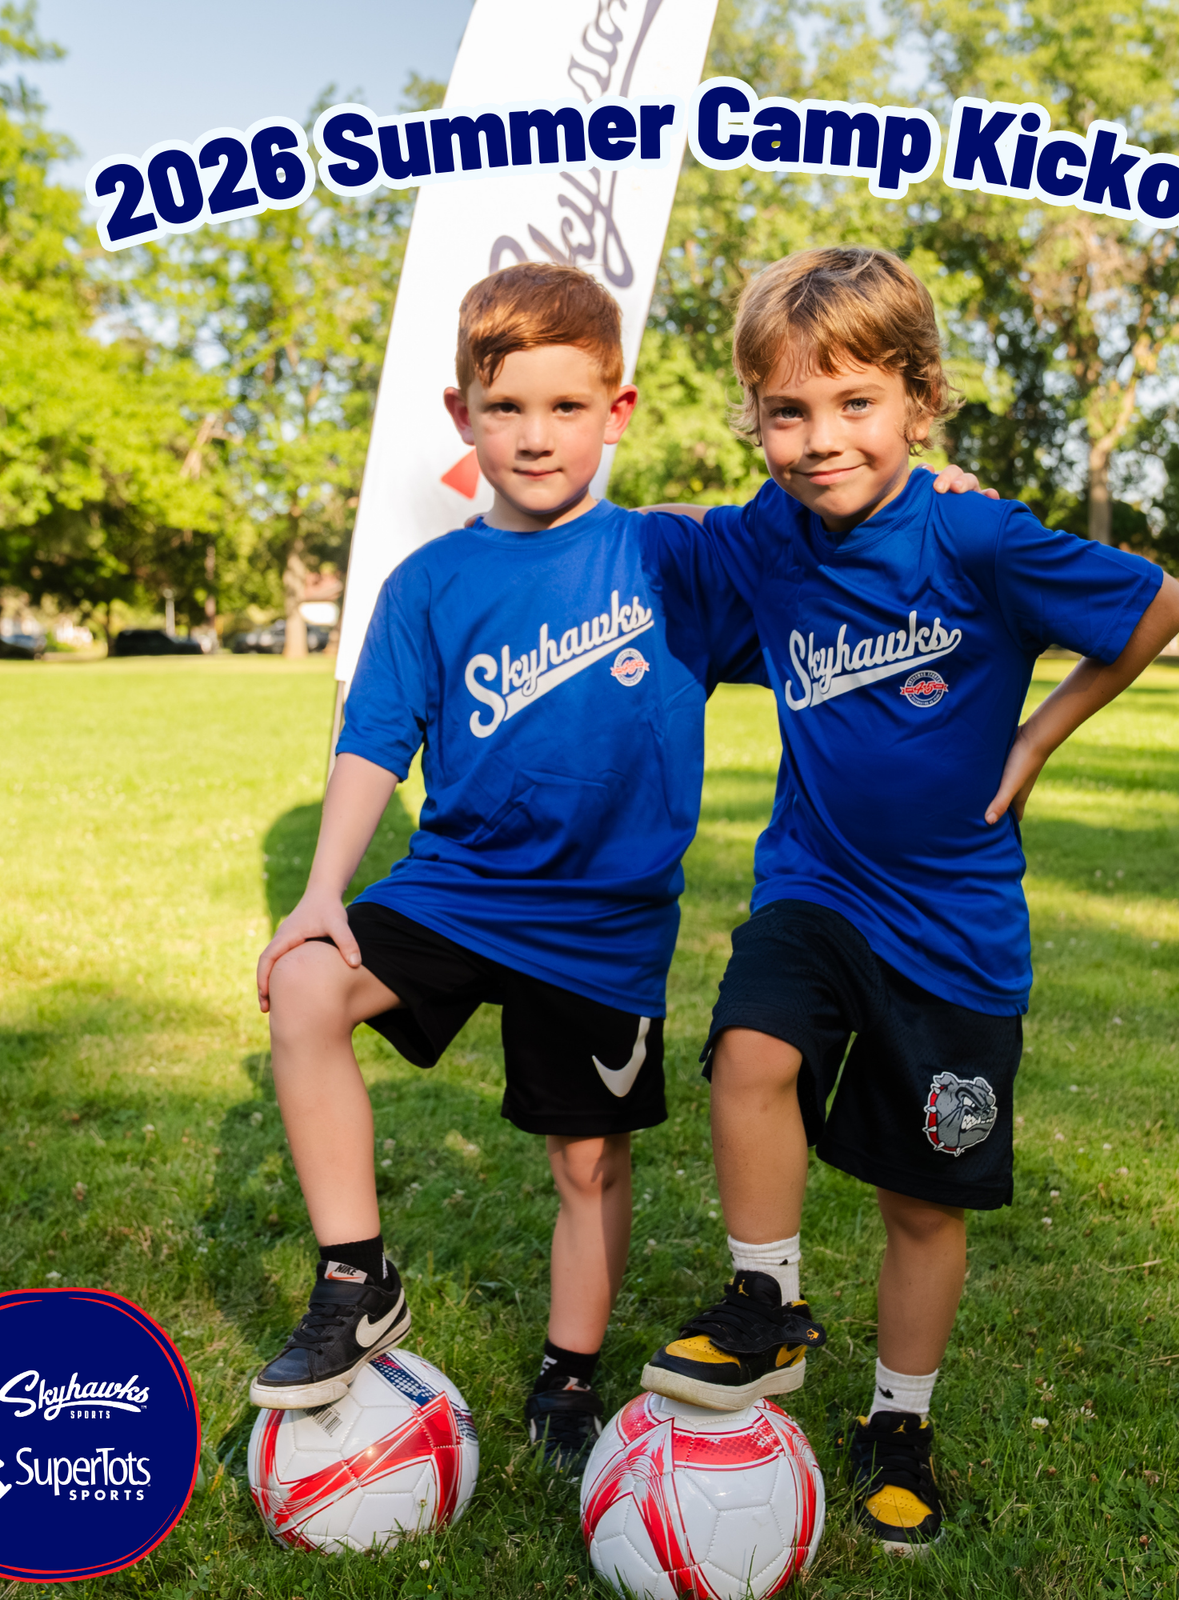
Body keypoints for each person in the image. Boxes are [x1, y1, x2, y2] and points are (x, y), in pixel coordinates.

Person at [248, 258, 985, 1470]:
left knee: (585, 1160)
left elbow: (838, 560)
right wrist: (323, 891)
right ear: (460, 416)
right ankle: (354, 1277)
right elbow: (374, 738)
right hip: (459, 890)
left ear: (618, 410)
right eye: (505, 409)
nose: (535, 437)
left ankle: (567, 1371)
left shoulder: (679, 558)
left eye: (565, 408)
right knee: (308, 986)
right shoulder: (427, 584)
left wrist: (939, 495)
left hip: (603, 926)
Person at [639, 246, 1179, 1552]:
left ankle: (899, 1422)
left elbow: (1154, 606)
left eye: (854, 404)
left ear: (920, 400)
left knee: (921, 1204)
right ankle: (764, 1306)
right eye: (787, 410)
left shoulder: (976, 533)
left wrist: (1041, 734)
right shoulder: (768, 542)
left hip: (954, 937)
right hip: (817, 889)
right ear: (757, 418)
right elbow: (649, 575)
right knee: (749, 1052)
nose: (821, 439)